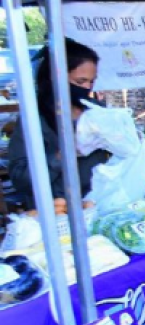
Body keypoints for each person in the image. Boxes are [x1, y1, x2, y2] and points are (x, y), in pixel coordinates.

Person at [8, 38, 109, 209]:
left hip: (101, 203)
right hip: (59, 210)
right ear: (56, 77)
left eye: (91, 81)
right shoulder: (34, 120)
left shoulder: (96, 111)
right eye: (80, 82)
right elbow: (20, 180)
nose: (87, 87)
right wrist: (60, 156)